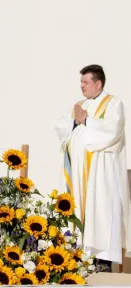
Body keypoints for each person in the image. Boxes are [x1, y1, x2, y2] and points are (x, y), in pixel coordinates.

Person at [55, 65, 131, 271]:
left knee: (102, 212)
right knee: (78, 211)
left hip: (101, 172)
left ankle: (102, 262)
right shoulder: (80, 105)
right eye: (80, 82)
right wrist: (75, 122)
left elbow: (112, 130)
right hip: (78, 172)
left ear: (98, 83)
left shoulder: (114, 103)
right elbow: (63, 127)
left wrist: (87, 120)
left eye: (85, 82)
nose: (81, 86)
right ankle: (79, 260)